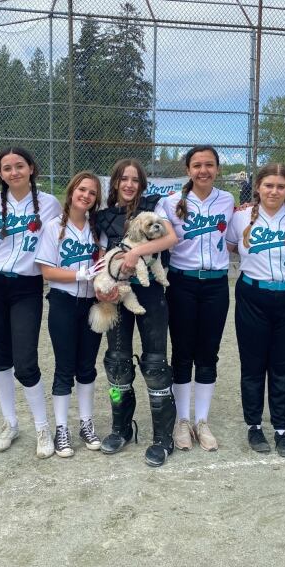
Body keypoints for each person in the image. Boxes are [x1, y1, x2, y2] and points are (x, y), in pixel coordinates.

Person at [0, 147, 62, 459]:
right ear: (0, 174)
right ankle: (10, 423)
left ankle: (42, 427)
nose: (14, 172)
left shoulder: (50, 204)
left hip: (27, 285)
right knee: (0, 357)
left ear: (31, 168)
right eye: (7, 168)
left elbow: (61, 238)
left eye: (20, 166)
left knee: (25, 360)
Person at [226, 163, 285, 457]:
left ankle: (281, 428)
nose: (274, 191)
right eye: (268, 185)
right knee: (253, 366)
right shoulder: (240, 218)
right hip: (253, 295)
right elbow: (232, 247)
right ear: (258, 187)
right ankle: (254, 426)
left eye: (280, 186)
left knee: (284, 366)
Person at [95, 158, 179, 467]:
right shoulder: (104, 218)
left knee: (155, 366)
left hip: (152, 293)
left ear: (142, 184)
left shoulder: (155, 207)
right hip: (118, 293)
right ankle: (121, 428)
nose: (129, 184)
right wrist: (103, 285)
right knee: (117, 365)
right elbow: (102, 256)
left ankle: (162, 437)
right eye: (123, 179)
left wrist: (135, 252)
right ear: (115, 182)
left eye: (135, 180)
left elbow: (170, 238)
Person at [158, 146, 233, 452]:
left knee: (208, 353)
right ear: (188, 169)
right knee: (182, 352)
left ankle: (201, 420)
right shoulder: (171, 202)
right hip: (182, 283)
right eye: (197, 165)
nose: (204, 170)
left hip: (216, 284)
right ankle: (181, 420)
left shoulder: (228, 201)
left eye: (210, 165)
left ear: (217, 169)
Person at [35, 171, 105, 458]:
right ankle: (61, 428)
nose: (86, 195)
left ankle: (86, 423)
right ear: (72, 191)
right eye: (82, 189)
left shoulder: (97, 229)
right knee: (65, 367)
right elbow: (46, 270)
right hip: (63, 302)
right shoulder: (54, 226)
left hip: (92, 304)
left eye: (92, 192)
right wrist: (81, 273)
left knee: (87, 366)